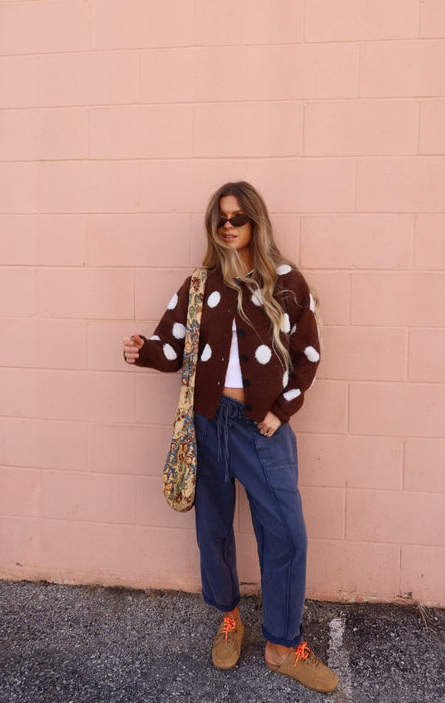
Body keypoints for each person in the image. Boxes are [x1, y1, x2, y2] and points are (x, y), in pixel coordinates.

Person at [122, 181, 338, 694]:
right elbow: (174, 344)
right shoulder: (201, 285)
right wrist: (144, 350)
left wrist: (281, 411)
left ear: (255, 222)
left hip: (261, 427)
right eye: (220, 218)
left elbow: (308, 354)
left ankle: (283, 645)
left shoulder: (285, 282)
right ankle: (229, 619)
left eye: (238, 218)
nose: (228, 226)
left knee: (286, 533)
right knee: (213, 530)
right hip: (208, 422)